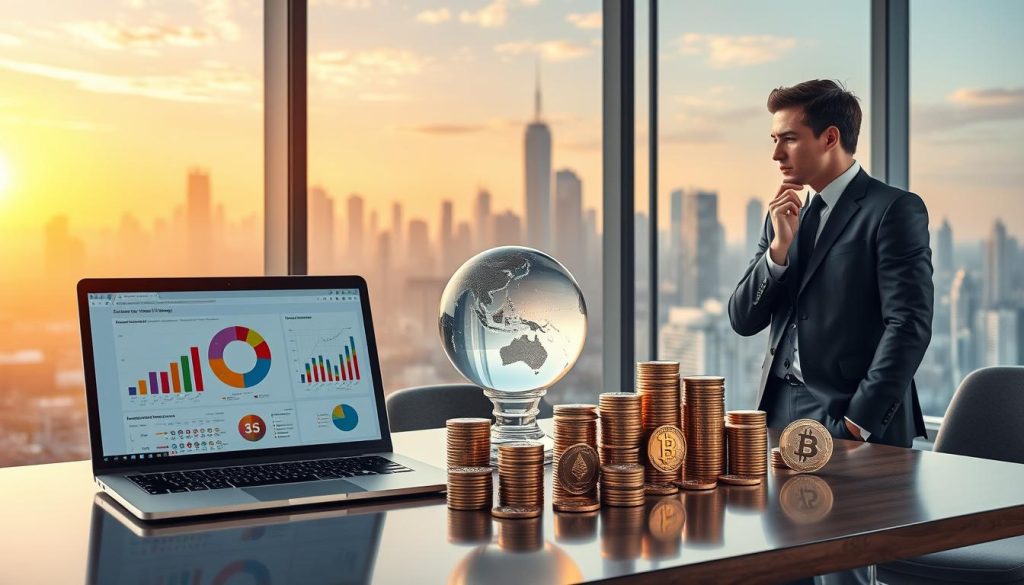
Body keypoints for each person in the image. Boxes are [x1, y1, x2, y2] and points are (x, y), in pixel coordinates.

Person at [728, 79, 932, 449]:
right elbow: (743, 320)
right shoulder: (783, 216)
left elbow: (908, 324)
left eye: (789, 139)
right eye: (774, 141)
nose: (776, 155)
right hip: (776, 409)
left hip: (847, 415)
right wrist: (778, 251)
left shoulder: (892, 210)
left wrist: (858, 423)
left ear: (829, 138)